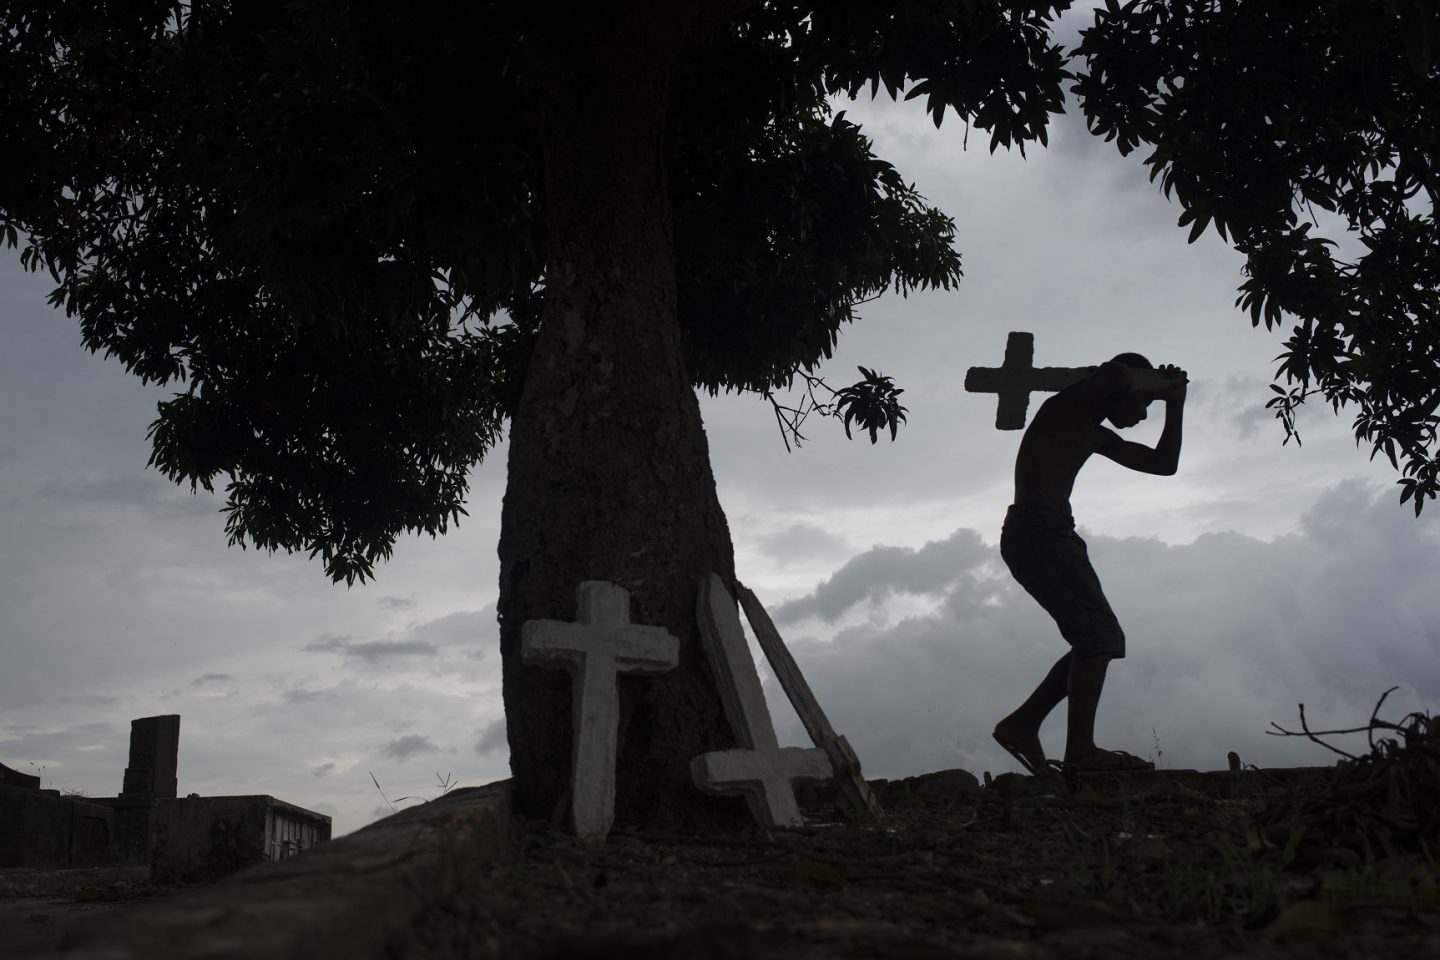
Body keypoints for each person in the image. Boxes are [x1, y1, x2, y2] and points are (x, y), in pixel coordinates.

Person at [992, 353, 1187, 774]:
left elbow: (1164, 465)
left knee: (1095, 638)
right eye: (1141, 405)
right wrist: (1155, 382)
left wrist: (1175, 402)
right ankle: (1077, 750)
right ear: (1125, 390)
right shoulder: (1069, 405)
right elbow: (1114, 374)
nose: (1141, 415)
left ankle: (1023, 724)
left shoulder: (1091, 432)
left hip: (1047, 535)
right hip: (1039, 534)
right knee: (1099, 637)